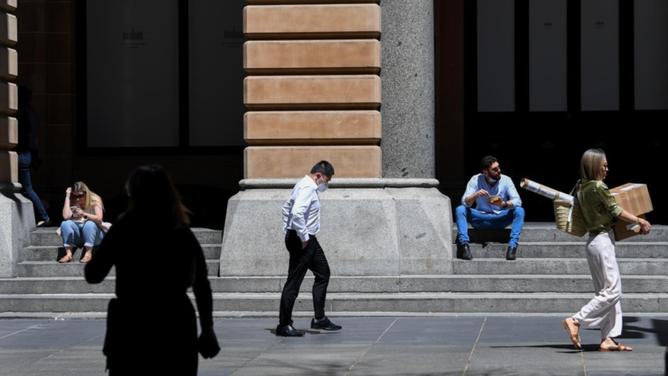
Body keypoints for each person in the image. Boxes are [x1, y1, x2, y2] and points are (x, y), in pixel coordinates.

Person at [84, 165, 219, 375]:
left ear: (133, 193)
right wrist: (207, 329)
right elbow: (201, 283)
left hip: (132, 323)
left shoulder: (124, 227)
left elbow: (93, 275)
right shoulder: (180, 231)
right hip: (175, 321)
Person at [562, 148, 651, 352]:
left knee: (606, 292)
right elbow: (615, 210)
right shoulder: (598, 187)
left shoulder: (581, 187)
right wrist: (640, 221)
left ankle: (608, 338)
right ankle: (576, 320)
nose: (607, 169)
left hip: (593, 242)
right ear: (594, 166)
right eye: (604, 165)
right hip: (601, 242)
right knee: (613, 291)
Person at [276, 160, 342, 337]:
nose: (325, 185)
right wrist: (302, 236)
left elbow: (285, 208)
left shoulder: (303, 185)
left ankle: (319, 318)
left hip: (306, 239)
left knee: (323, 273)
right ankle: (284, 325)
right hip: (303, 240)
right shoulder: (307, 188)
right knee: (294, 281)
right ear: (318, 175)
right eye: (325, 181)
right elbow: (296, 212)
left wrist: (289, 229)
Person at [455, 155, 525, 261]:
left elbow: (518, 201)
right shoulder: (475, 179)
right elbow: (465, 202)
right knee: (460, 209)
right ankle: (464, 245)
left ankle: (512, 246)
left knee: (519, 210)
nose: (499, 171)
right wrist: (476, 195)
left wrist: (503, 204)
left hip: (500, 218)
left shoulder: (506, 180)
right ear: (485, 172)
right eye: (495, 169)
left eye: (499, 167)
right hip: (480, 219)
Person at [15, 85, 50, 227]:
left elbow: (26, 137)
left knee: (27, 189)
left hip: (23, 153)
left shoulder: (22, 115)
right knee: (26, 188)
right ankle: (42, 213)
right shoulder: (31, 113)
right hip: (28, 153)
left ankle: (44, 215)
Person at [58, 181, 104, 263]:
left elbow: (99, 219)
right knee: (65, 223)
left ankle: (88, 253)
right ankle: (68, 254)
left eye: (80, 195)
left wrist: (84, 214)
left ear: (86, 193)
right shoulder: (72, 200)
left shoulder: (94, 200)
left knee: (89, 224)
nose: (77, 198)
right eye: (74, 195)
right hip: (79, 236)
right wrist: (67, 196)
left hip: (95, 236)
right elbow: (65, 216)